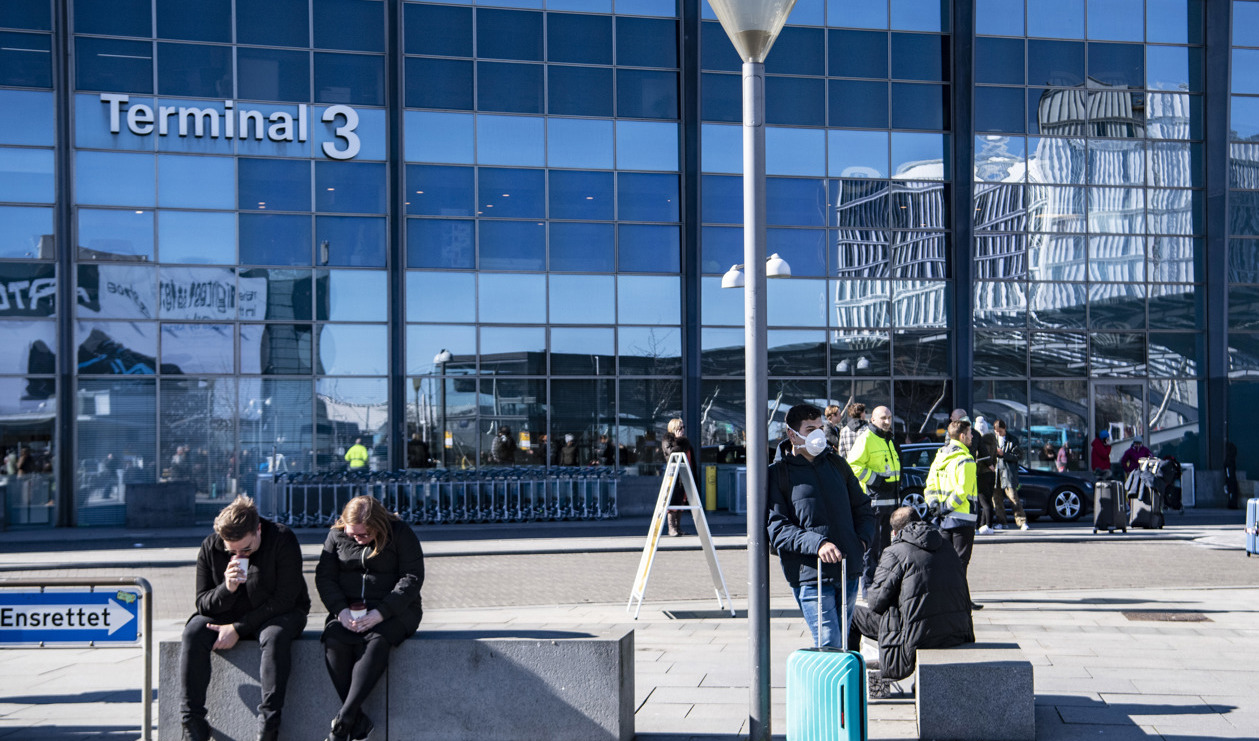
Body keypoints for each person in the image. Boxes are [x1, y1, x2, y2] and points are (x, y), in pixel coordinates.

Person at [179, 496, 309, 741]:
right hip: (228, 615)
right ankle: (192, 722)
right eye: (232, 551)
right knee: (193, 630)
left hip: (279, 613)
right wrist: (226, 589)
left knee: (275, 636)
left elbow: (286, 599)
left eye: (246, 549)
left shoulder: (282, 538)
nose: (240, 555)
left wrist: (238, 628)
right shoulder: (210, 546)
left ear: (258, 529)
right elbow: (202, 602)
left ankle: (269, 725)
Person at [316, 496, 424, 741]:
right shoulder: (337, 536)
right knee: (334, 640)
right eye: (352, 534)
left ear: (378, 526)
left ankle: (343, 723)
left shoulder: (400, 533)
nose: (356, 538)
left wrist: (381, 613)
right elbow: (325, 577)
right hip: (348, 611)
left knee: (377, 640)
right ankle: (357, 719)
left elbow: (412, 577)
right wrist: (340, 611)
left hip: (396, 610)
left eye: (363, 535)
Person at [767, 403, 876, 647]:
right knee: (829, 642)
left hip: (848, 570)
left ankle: (840, 687)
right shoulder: (779, 473)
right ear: (792, 434)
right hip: (810, 576)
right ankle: (832, 685)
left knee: (843, 643)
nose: (818, 434)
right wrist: (818, 545)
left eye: (819, 427)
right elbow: (777, 529)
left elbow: (863, 508)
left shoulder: (837, 464)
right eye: (810, 429)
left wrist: (861, 541)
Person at [847, 507, 974, 697]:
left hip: (916, 635)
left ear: (895, 532)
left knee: (852, 615)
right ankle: (921, 683)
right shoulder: (947, 546)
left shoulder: (895, 551)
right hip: (956, 630)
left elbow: (875, 603)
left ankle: (851, 683)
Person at [924, 418, 982, 610]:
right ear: (963, 436)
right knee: (960, 563)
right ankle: (960, 601)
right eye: (971, 433)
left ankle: (946, 599)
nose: (972, 437)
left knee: (945, 561)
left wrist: (935, 506)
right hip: (962, 518)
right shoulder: (966, 460)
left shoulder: (940, 456)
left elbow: (930, 485)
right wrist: (948, 507)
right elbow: (962, 491)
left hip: (943, 518)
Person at [846, 405, 901, 598]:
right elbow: (852, 465)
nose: (887, 421)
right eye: (883, 418)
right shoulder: (866, 439)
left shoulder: (889, 440)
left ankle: (882, 586)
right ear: (873, 420)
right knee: (872, 549)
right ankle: (868, 588)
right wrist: (875, 480)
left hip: (890, 504)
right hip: (874, 503)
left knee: (887, 549)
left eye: (889, 417)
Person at [991, 419, 1029, 531]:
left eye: (1000, 431)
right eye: (996, 432)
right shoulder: (993, 439)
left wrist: (1004, 454)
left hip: (1007, 472)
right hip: (996, 472)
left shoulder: (1013, 440)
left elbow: (1018, 456)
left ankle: (1022, 522)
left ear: (1005, 429)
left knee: (1013, 498)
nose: (998, 433)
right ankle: (1001, 522)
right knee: (996, 499)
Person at [662, 418, 697, 537]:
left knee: (682, 501)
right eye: (680, 428)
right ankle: (671, 528)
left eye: (683, 428)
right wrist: (679, 441)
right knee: (673, 500)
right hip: (674, 476)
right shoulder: (668, 440)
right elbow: (671, 453)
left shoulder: (684, 442)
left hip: (685, 475)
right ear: (674, 429)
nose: (682, 430)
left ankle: (678, 527)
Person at [972, 416, 997, 535]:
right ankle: (986, 524)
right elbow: (993, 457)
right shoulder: (992, 438)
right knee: (987, 500)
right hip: (991, 473)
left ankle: (984, 525)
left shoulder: (980, 440)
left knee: (982, 501)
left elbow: (982, 456)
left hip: (981, 473)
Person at [1225, 441, 1240, 510]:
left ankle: (1232, 503)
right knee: (1232, 490)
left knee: (1231, 490)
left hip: (1230, 477)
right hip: (1231, 477)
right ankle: (1232, 503)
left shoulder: (1228, 459)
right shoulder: (1230, 459)